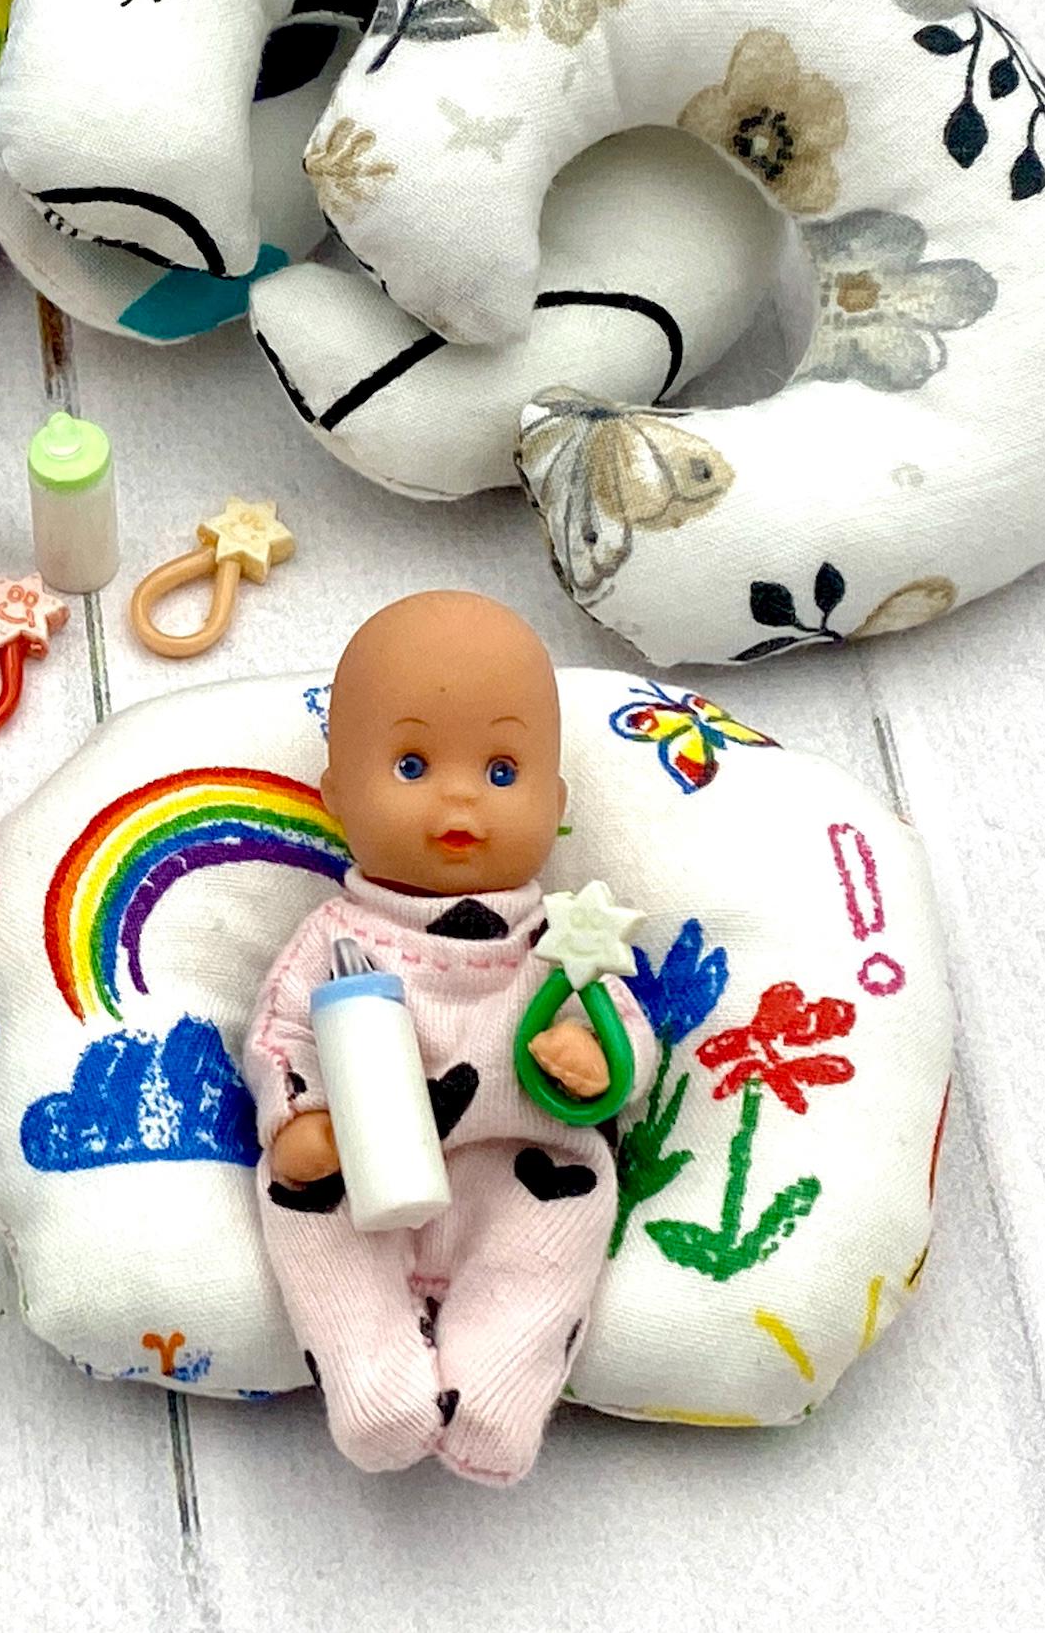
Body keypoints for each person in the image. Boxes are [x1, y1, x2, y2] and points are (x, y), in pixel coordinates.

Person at [245, 591, 652, 1483]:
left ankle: (497, 1387)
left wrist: (596, 1062)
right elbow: (278, 1037)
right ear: (336, 796)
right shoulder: (332, 940)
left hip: (519, 1172)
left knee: (558, 1232)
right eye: (414, 763)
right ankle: (371, 1379)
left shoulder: (560, 942)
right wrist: (299, 1117)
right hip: (360, 1171)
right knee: (299, 1210)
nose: (461, 795)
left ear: (556, 802)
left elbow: (627, 1031)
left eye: (503, 772)